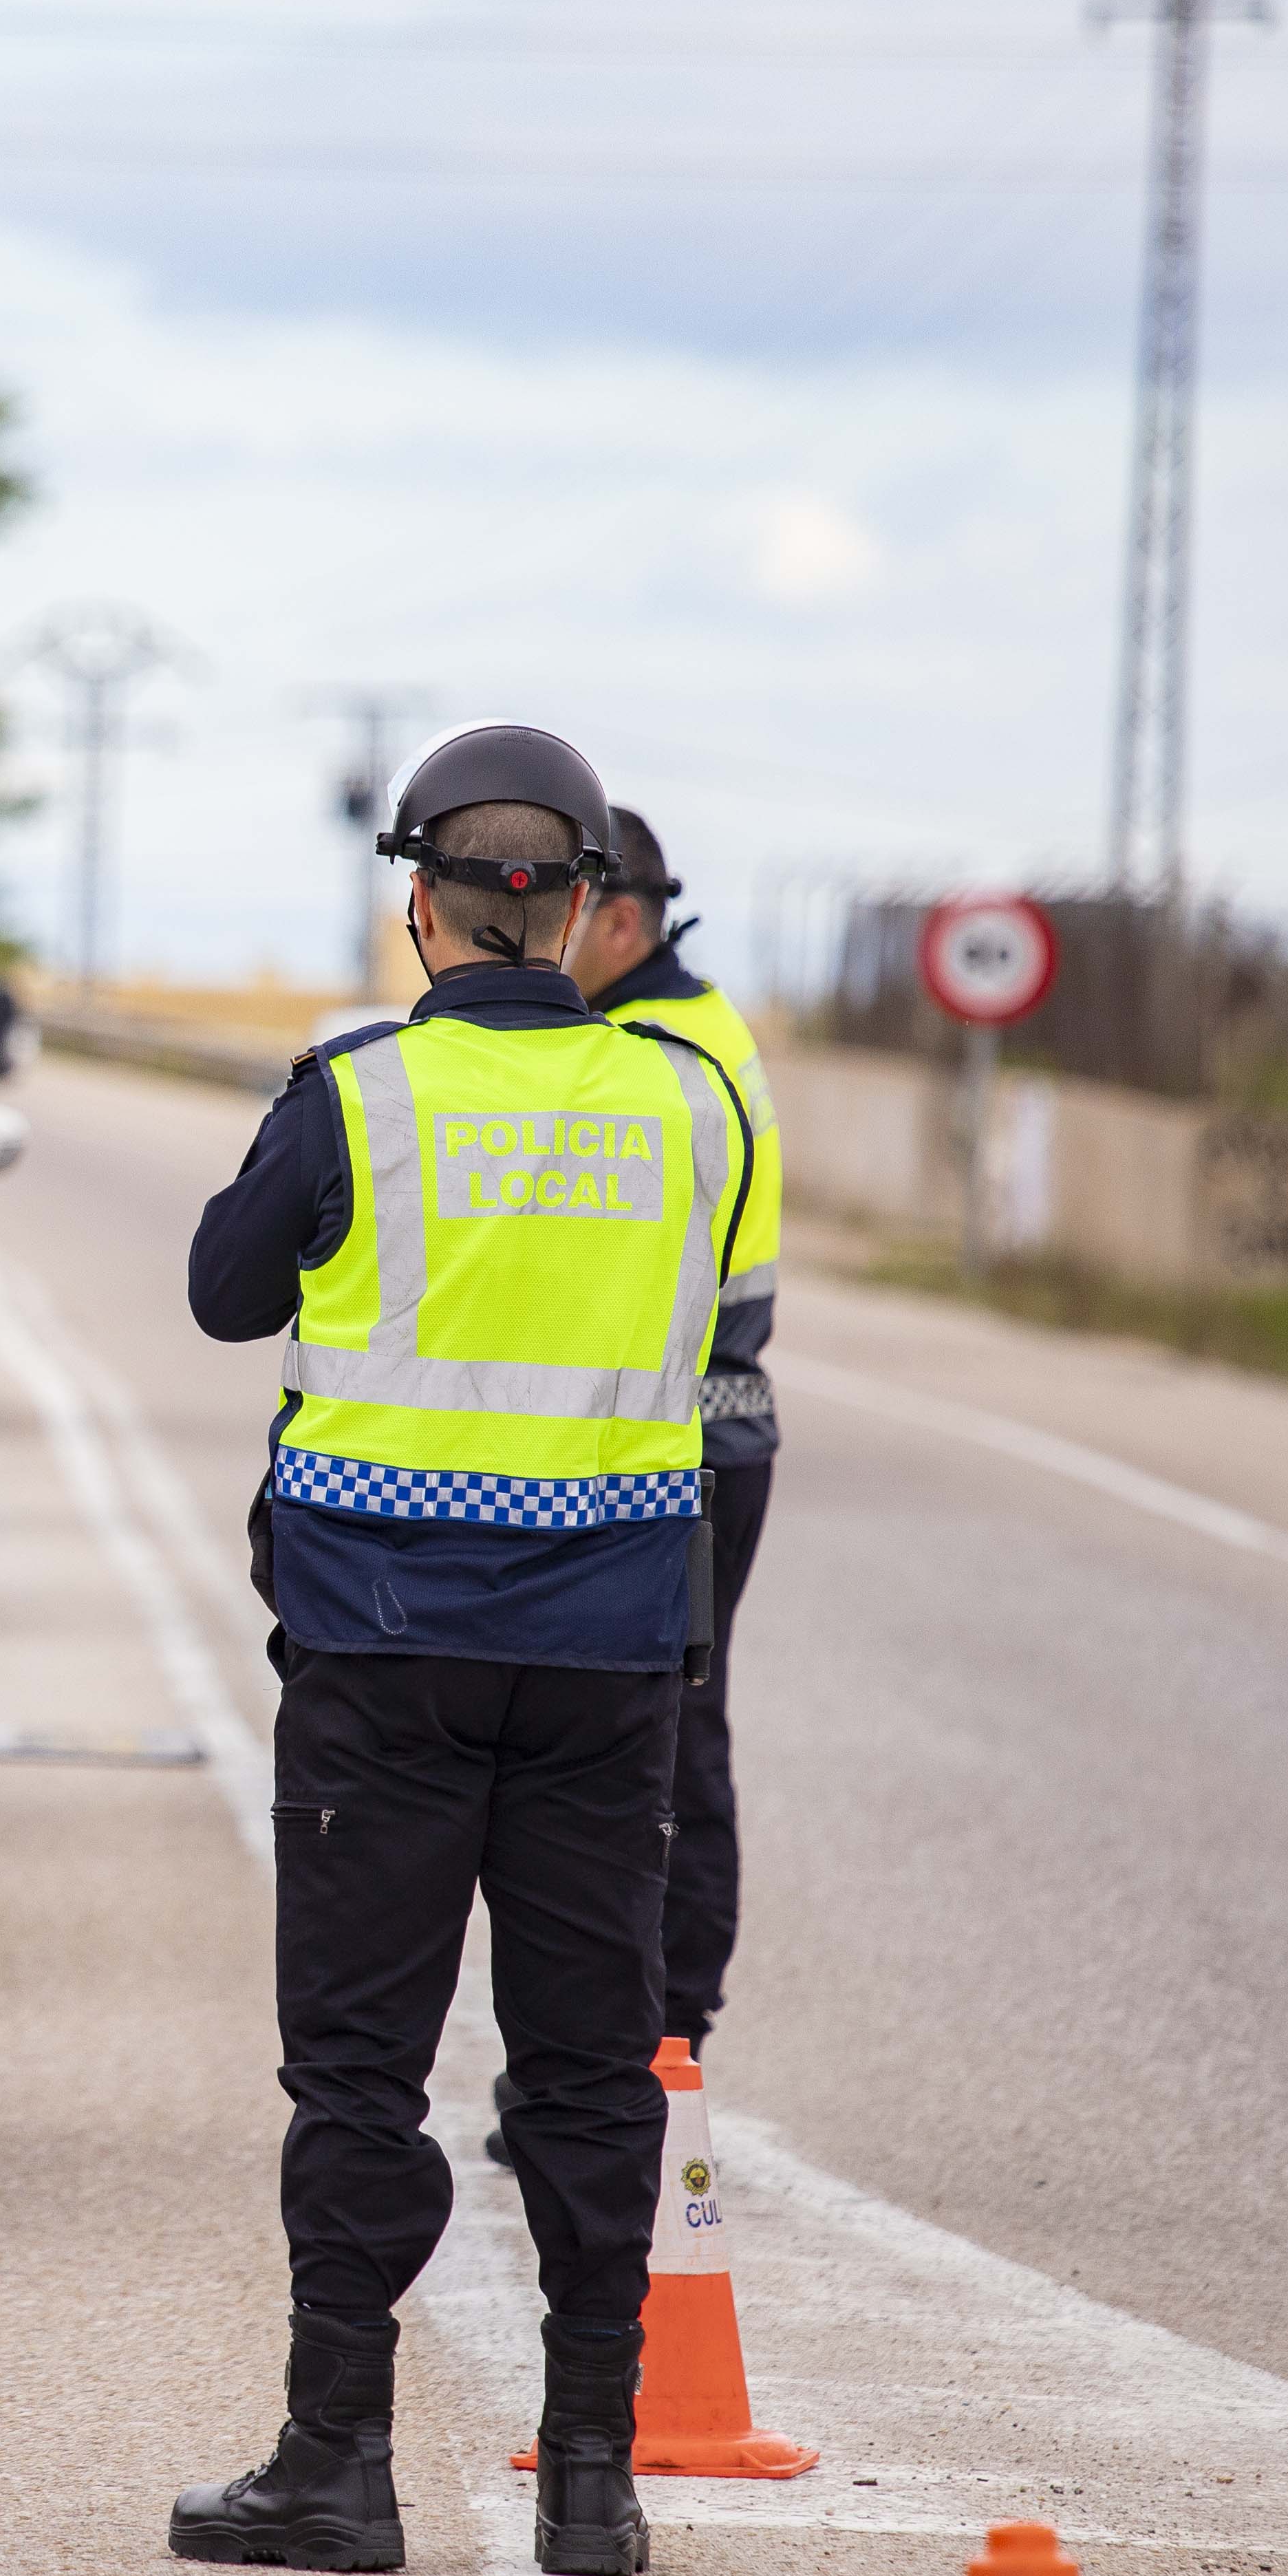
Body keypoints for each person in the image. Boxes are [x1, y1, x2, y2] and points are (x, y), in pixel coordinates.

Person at [168, 724, 752, 2576]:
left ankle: (336, 2462)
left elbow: (222, 1294)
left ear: (421, 910)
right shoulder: (694, 1105)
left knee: (361, 2072)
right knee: (586, 2070)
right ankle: (595, 2477)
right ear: (584, 913)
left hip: (383, 1652)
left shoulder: (357, 1090)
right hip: (606, 1660)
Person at [564, 808, 780, 2068]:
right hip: (701, 1446)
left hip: (689, 1453)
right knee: (661, 1739)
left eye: (565, 912)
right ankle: (642, 2034)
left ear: (626, 922)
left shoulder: (660, 1055)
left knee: (671, 1749)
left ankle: (663, 2039)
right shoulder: (685, 1030)